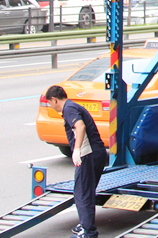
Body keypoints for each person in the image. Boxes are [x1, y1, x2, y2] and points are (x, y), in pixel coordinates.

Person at [45, 85, 107, 238]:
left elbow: (80, 126)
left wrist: (77, 150)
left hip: (88, 155)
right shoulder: (72, 106)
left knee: (82, 193)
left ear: (54, 99)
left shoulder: (69, 108)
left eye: (50, 103)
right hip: (96, 154)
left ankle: (88, 231)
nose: (51, 106)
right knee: (86, 192)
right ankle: (85, 224)